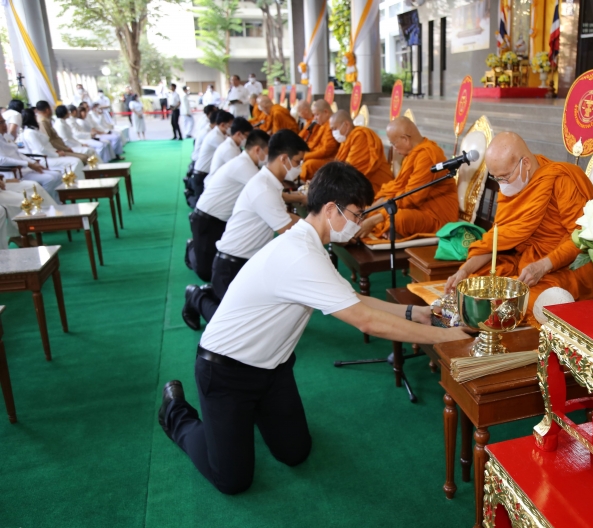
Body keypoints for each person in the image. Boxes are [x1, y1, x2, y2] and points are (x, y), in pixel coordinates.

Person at [159, 161, 471, 495]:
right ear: (330, 209)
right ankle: (176, 413)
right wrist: (444, 336)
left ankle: (239, 422)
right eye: (356, 213)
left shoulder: (310, 244)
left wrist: (413, 312)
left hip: (273, 369)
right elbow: (365, 320)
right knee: (232, 479)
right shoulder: (300, 254)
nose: (359, 222)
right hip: (226, 371)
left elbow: (351, 298)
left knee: (295, 452)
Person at [443, 132, 593, 326]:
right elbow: (498, 240)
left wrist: (543, 266)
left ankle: (499, 331)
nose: (501, 185)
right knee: (477, 282)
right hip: (525, 261)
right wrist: (463, 270)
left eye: (504, 177)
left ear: (525, 163)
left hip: (567, 266)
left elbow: (581, 237)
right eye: (496, 179)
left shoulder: (561, 179)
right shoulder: (510, 187)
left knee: (524, 301)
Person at [183, 130, 307, 328]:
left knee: (258, 319)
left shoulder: (270, 182)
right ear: (284, 158)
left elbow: (285, 217)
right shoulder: (263, 187)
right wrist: (318, 227)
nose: (300, 167)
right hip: (230, 265)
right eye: (299, 161)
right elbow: (287, 228)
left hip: (248, 263)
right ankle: (195, 295)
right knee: (231, 327)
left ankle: (210, 294)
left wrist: (307, 222)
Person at [187, 129, 271, 283]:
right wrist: (297, 197)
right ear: (258, 149)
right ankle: (191, 248)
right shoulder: (243, 165)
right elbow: (266, 191)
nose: (268, 158)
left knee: (212, 266)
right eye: (267, 152)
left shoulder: (246, 163)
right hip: (207, 218)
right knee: (205, 273)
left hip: (219, 219)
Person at [355, 116, 458, 240]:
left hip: (437, 218)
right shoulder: (412, 155)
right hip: (418, 210)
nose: (393, 148)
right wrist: (367, 213)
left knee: (397, 219)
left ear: (405, 139)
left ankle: (392, 232)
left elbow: (411, 197)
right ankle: (390, 231)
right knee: (378, 213)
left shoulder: (427, 156)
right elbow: (396, 190)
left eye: (393, 143)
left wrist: (373, 221)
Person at [0, 115, 64, 201]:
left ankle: (57, 201)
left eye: (4, 122)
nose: (4, 125)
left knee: (57, 175)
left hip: (24, 168)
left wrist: (33, 163)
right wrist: (28, 164)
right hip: (14, 171)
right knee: (49, 179)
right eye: (1, 123)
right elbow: (2, 160)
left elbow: (18, 154)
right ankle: (49, 205)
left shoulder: (6, 136)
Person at [330, 110, 391, 194]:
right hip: (358, 183)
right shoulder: (346, 140)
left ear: (346, 124)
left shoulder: (361, 135)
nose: (333, 132)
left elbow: (352, 169)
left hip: (373, 186)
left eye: (335, 128)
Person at [188, 110, 234, 206]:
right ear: (222, 125)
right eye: (230, 125)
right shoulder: (215, 137)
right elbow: (229, 151)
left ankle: (190, 185)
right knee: (200, 204)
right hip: (201, 174)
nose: (231, 128)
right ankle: (189, 193)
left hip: (204, 172)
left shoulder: (220, 134)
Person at [299, 100, 339, 182]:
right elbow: (315, 144)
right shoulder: (323, 125)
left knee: (308, 165)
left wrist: (307, 156)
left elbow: (327, 150)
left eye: (317, 115)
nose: (315, 118)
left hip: (331, 158)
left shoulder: (332, 125)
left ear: (326, 112)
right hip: (323, 156)